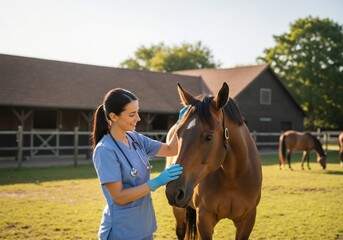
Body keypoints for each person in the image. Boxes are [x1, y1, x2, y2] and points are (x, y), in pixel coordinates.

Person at [91, 88, 183, 240]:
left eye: (137, 112)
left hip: (145, 226)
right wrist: (157, 182)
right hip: (122, 231)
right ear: (113, 116)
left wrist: (182, 123)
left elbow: (171, 149)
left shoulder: (135, 139)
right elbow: (119, 197)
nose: (138, 118)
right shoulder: (105, 150)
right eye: (132, 114)